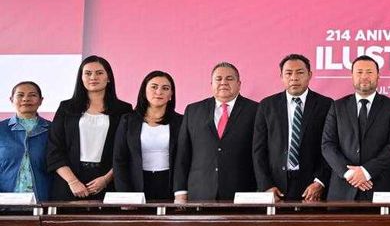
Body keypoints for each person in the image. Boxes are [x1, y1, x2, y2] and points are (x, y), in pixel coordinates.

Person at [47, 56, 133, 200]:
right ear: (81, 78)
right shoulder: (66, 108)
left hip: (108, 181)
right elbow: (54, 149)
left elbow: (127, 151)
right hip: (69, 182)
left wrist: (106, 179)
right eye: (88, 73)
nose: (93, 77)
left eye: (99, 73)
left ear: (108, 77)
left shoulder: (123, 109)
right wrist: (73, 181)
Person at [321, 55, 390, 201]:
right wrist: (350, 174)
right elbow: (328, 144)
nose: (364, 76)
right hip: (343, 188)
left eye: (369, 72)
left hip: (381, 185)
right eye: (359, 72)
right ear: (352, 76)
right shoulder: (337, 106)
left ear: (378, 75)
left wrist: (366, 172)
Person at [174, 62, 259, 202]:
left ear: (239, 84)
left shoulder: (256, 110)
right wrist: (180, 191)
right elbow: (183, 154)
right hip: (200, 192)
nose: (223, 82)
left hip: (243, 191)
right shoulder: (193, 111)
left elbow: (260, 153)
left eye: (229, 78)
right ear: (211, 84)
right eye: (218, 79)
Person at [253, 54, 333, 202]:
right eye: (288, 73)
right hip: (276, 185)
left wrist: (320, 182)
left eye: (300, 73)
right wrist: (266, 185)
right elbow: (259, 150)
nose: (294, 78)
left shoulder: (326, 105)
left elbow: (330, 147)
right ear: (281, 77)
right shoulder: (267, 106)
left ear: (309, 75)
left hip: (312, 187)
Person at [113, 71, 183, 201]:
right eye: (154, 87)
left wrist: (181, 191)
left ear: (171, 95)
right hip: (136, 185)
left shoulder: (181, 121)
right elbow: (119, 159)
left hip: (169, 185)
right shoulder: (128, 120)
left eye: (165, 88)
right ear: (144, 91)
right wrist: (125, 195)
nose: (159, 92)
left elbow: (185, 160)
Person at [0, 82, 52, 200]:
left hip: (43, 199)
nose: (26, 99)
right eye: (20, 95)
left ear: (41, 100)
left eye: (32, 95)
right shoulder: (1, 129)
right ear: (11, 99)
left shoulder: (53, 129)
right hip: (5, 199)